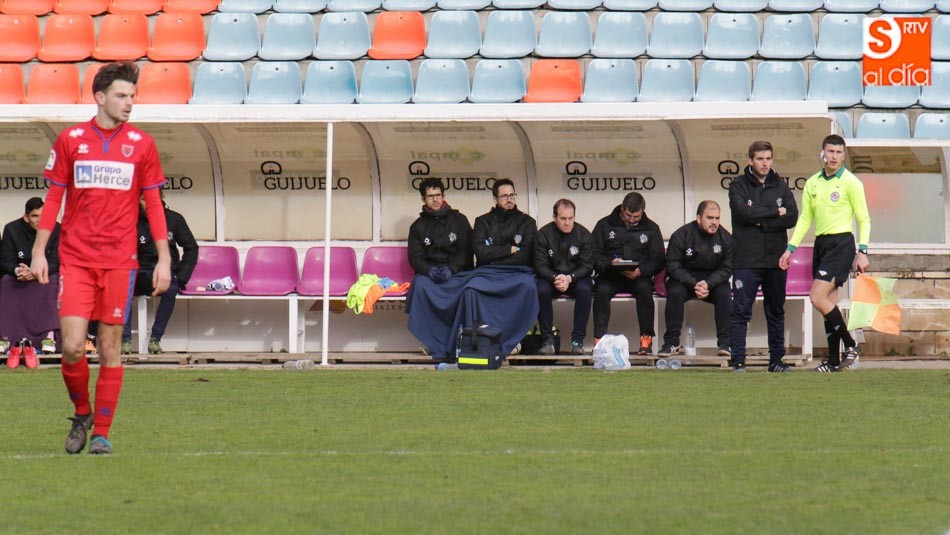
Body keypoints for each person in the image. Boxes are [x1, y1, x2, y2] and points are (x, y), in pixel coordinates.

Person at [31, 62, 171, 455]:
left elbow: (154, 205)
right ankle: (82, 412)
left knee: (110, 348)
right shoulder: (70, 139)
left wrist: (163, 260)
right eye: (122, 96)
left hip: (120, 262)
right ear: (100, 97)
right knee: (73, 346)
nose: (129, 103)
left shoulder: (142, 144)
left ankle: (102, 434)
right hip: (75, 259)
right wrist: (40, 250)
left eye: (132, 96)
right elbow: (54, 198)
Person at [779, 134, 870, 373]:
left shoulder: (851, 182)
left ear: (843, 155)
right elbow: (805, 219)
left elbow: (864, 219)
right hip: (822, 244)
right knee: (828, 304)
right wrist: (790, 248)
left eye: (839, 152)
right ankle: (833, 361)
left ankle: (851, 345)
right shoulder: (813, 183)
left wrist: (863, 251)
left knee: (816, 297)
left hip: (842, 244)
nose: (834, 156)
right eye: (830, 151)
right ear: (822, 153)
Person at [728, 141, 799, 373]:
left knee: (776, 310)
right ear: (750, 160)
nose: (765, 163)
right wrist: (773, 213)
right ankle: (738, 361)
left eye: (768, 158)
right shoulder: (738, 185)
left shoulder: (780, 186)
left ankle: (776, 361)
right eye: (760, 159)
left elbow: (791, 218)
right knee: (741, 311)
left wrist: (760, 223)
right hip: (746, 260)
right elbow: (743, 213)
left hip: (775, 260)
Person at [120, 192, 199, 355]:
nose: (148, 203)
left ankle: (155, 338)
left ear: (160, 198)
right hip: (139, 275)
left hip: (165, 275)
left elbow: (191, 248)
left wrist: (182, 276)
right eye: (143, 199)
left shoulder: (174, 219)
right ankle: (125, 340)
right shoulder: (130, 220)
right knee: (121, 289)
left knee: (171, 289)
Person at [658, 201, 734, 364]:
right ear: (699, 218)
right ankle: (671, 343)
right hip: (684, 280)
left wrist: (707, 283)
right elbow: (673, 266)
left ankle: (726, 344)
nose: (714, 222)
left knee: (724, 293)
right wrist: (695, 283)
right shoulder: (681, 235)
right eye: (710, 218)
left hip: (711, 282)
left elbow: (727, 268)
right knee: (675, 292)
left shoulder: (726, 238)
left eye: (717, 218)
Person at [591, 192, 665, 356]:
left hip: (638, 277)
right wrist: (610, 265)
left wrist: (642, 271)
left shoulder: (651, 228)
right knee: (601, 291)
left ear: (643, 212)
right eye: (628, 215)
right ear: (622, 209)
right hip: (610, 275)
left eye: (636, 217)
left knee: (645, 291)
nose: (631, 220)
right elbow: (593, 255)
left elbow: (659, 259)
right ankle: (599, 340)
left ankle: (646, 339)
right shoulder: (604, 225)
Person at [0, 197, 62, 367]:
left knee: (52, 281)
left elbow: (56, 261)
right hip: (19, 276)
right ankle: (5, 337)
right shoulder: (11, 229)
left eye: (44, 216)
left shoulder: (56, 229)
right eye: (35, 216)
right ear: (26, 217)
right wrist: (18, 270)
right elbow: (5, 260)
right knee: (5, 281)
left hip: (43, 275)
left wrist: (35, 273)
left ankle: (48, 338)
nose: (40, 221)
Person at [534, 199, 593, 356]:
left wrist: (570, 278)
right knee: (541, 290)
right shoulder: (543, 234)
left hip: (576, 279)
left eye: (570, 218)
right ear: (554, 218)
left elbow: (587, 266)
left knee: (585, 289)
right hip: (550, 278)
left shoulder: (584, 234)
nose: (567, 223)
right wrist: (557, 277)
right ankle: (548, 340)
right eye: (563, 219)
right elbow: (540, 265)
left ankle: (577, 341)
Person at [407, 178, 473, 282]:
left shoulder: (459, 219)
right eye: (430, 196)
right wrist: (429, 270)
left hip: (458, 272)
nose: (435, 199)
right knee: (419, 284)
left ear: (443, 196)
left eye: (438, 195)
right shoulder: (417, 226)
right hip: (429, 275)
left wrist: (451, 269)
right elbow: (415, 257)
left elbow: (467, 250)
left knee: (471, 287)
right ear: (423, 199)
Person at [472, 179, 536, 268]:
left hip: (519, 271)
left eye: (512, 195)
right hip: (487, 271)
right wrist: (510, 249)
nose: (509, 200)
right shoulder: (482, 221)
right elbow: (480, 253)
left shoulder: (528, 222)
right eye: (504, 196)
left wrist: (493, 259)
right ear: (495, 199)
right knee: (474, 282)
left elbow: (526, 256)